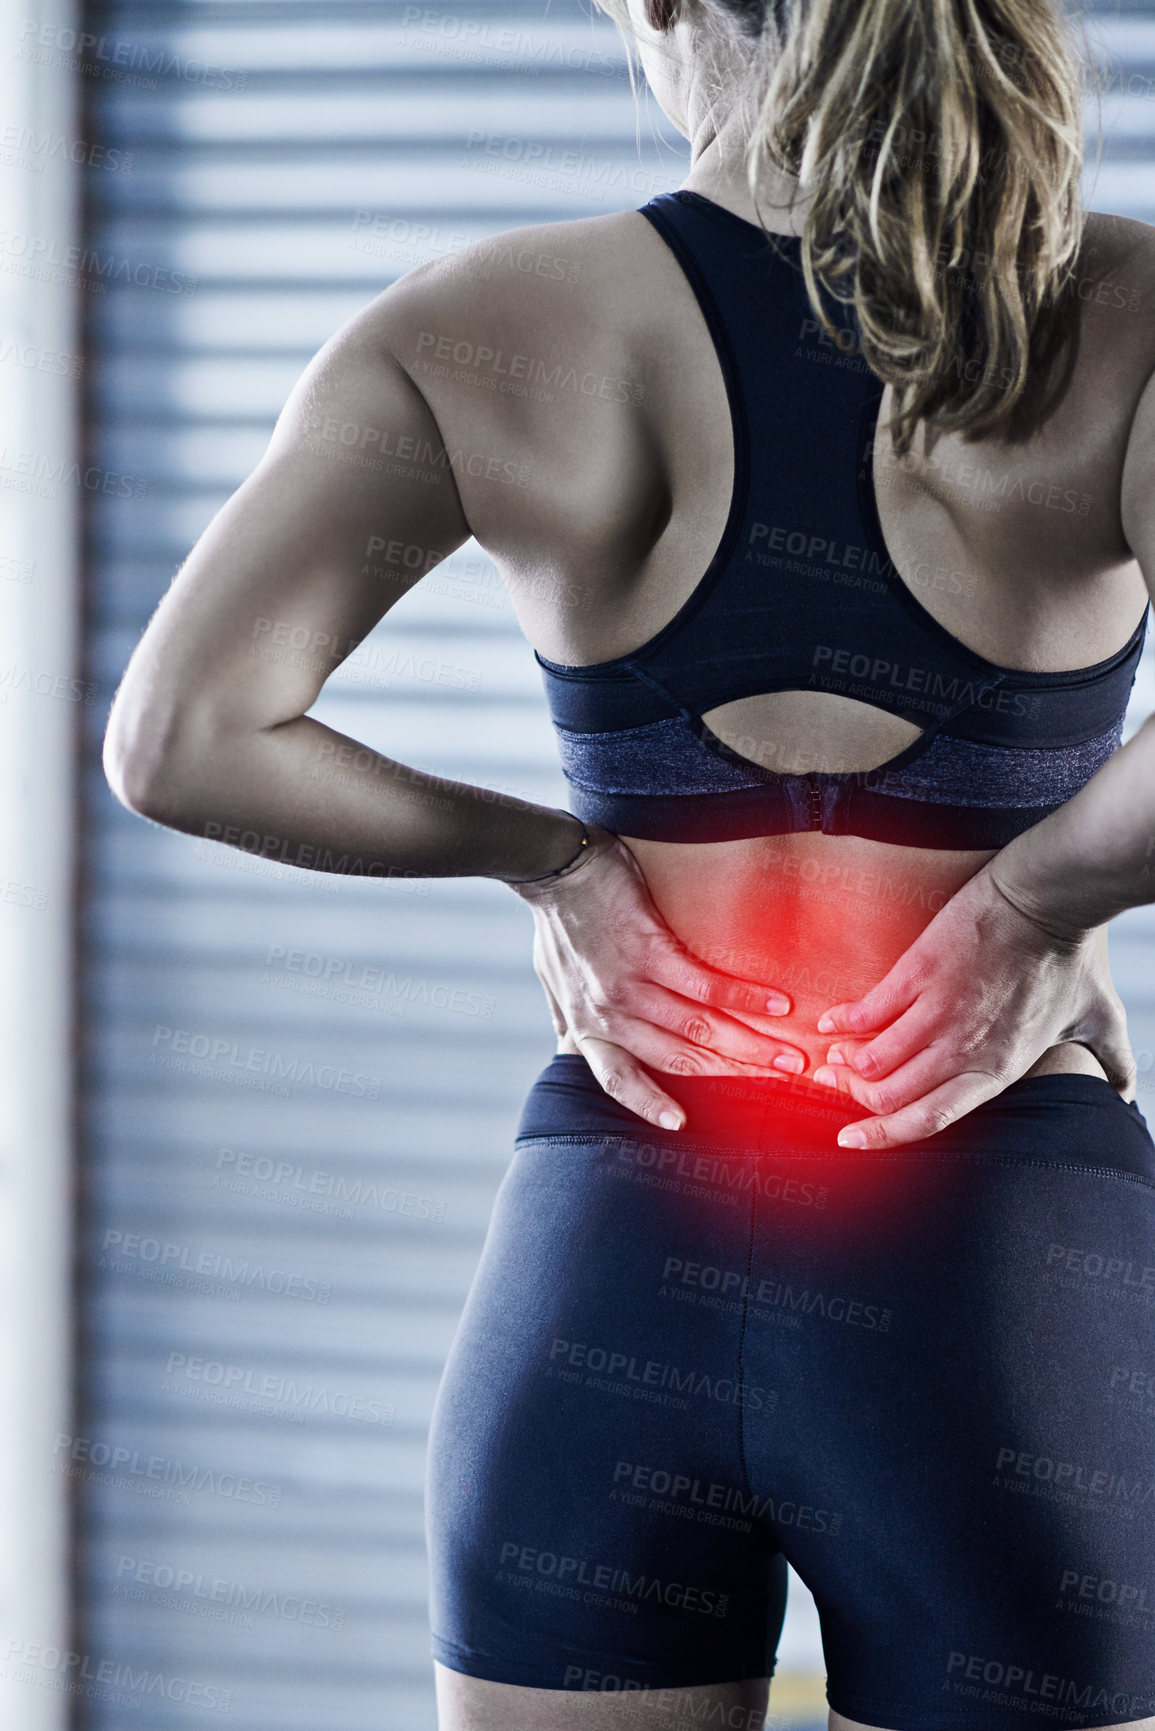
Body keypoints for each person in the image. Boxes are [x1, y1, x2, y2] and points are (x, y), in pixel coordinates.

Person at [101, 0, 1155, 1722]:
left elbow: (183, 739)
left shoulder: (480, 330)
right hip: (996, 1253)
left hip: (615, 1234)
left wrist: (558, 864)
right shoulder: (1120, 312)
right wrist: (1045, 888)